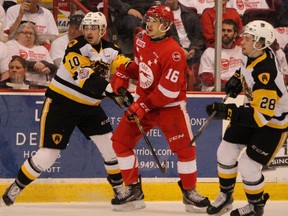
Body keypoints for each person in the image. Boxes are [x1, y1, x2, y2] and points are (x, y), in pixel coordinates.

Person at [0, 11, 132, 207]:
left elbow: (124, 67)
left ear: (102, 30)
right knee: (48, 155)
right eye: (85, 27)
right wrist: (113, 92)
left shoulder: (111, 50)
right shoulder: (75, 47)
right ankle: (17, 186)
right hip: (62, 104)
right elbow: (85, 79)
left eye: (93, 27)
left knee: (111, 149)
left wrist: (126, 87)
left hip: (90, 107)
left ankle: (120, 191)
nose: (88, 31)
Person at [109, 5, 210, 212]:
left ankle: (189, 192)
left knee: (185, 150)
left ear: (165, 25)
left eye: (153, 21)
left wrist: (142, 105)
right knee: (120, 142)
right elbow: (144, 70)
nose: (148, 24)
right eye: (148, 19)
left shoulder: (174, 53)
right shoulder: (141, 39)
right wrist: (125, 71)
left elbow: (168, 92)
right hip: (144, 103)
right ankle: (134, 191)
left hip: (169, 108)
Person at [205, 20, 288, 216]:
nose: (241, 41)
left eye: (247, 39)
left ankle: (255, 206)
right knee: (225, 151)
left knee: (248, 165)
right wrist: (237, 78)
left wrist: (229, 112)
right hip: (253, 111)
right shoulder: (251, 53)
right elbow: (246, 69)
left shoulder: (267, 72)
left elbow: (261, 117)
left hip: (273, 123)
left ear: (259, 43)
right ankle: (226, 197)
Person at [165, 0, 205, 91]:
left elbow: (199, 35)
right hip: (173, 49)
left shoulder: (189, 13)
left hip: (192, 49)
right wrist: (179, 49)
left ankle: (197, 89)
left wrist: (194, 48)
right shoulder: (161, 15)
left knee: (203, 56)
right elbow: (163, 37)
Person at [5, 20, 57, 88]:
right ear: (17, 34)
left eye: (31, 33)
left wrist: (45, 64)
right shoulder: (12, 44)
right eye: (25, 33)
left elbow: (53, 66)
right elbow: (15, 61)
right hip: (22, 85)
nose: (28, 36)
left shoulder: (42, 49)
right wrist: (36, 65)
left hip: (43, 85)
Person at [198, 19, 242, 92]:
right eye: (223, 30)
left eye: (229, 31)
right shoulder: (209, 52)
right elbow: (206, 78)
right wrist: (228, 84)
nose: (225, 33)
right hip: (216, 90)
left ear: (235, 34)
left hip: (237, 89)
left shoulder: (241, 51)